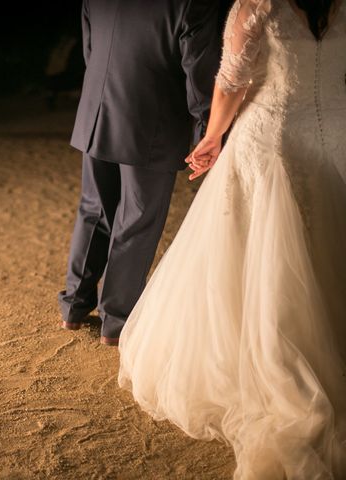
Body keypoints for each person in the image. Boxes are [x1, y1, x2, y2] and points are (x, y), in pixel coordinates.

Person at [118, 1, 346, 478]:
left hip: (275, 139)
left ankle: (280, 361)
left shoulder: (258, 4)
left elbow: (230, 81)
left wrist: (213, 136)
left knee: (265, 259)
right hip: (336, 139)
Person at [58, 0, 226, 346]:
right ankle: (115, 322)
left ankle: (73, 306)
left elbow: (90, 50)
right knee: (136, 222)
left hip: (98, 111)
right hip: (152, 121)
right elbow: (198, 67)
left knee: (94, 210)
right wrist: (208, 130)